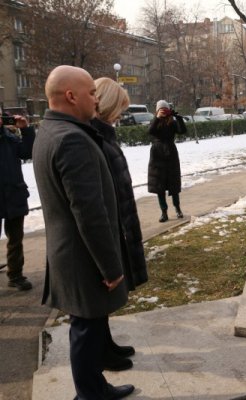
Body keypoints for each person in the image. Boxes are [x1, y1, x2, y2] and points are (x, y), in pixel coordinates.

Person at [32, 65, 134, 400]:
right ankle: (91, 394)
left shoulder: (50, 130)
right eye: (91, 92)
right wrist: (111, 267)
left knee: (87, 326)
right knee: (85, 328)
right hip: (83, 256)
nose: (96, 98)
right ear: (71, 96)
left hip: (71, 252)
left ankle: (93, 389)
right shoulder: (73, 139)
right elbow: (89, 214)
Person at [91, 77, 148, 372]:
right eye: (119, 109)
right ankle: (101, 352)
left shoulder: (104, 134)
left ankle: (106, 344)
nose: (120, 116)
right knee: (102, 294)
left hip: (118, 220)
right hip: (110, 223)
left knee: (109, 296)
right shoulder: (94, 137)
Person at [0, 108, 35, 290]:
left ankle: (16, 275)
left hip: (14, 195)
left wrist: (26, 129)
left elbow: (28, 152)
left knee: (15, 239)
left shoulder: (9, 137)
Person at [147, 99, 187, 222]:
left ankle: (178, 209)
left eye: (165, 109)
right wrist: (157, 118)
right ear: (157, 110)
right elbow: (150, 132)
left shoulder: (172, 122)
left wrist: (178, 118)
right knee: (160, 185)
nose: (163, 111)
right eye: (161, 109)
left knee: (173, 183)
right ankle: (163, 212)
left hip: (171, 153)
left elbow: (182, 131)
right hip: (157, 153)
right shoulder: (155, 121)